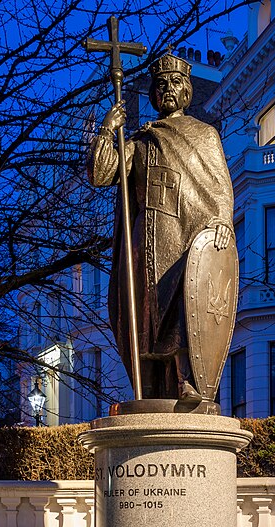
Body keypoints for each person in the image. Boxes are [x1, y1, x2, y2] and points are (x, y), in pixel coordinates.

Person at [87, 53, 234, 402]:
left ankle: (188, 382)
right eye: (161, 84)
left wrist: (223, 221)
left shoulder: (204, 134)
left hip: (186, 237)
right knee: (145, 318)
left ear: (188, 91)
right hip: (144, 244)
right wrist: (108, 129)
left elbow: (219, 186)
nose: (168, 88)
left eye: (176, 82)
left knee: (185, 305)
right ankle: (149, 387)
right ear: (153, 94)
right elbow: (101, 173)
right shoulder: (140, 141)